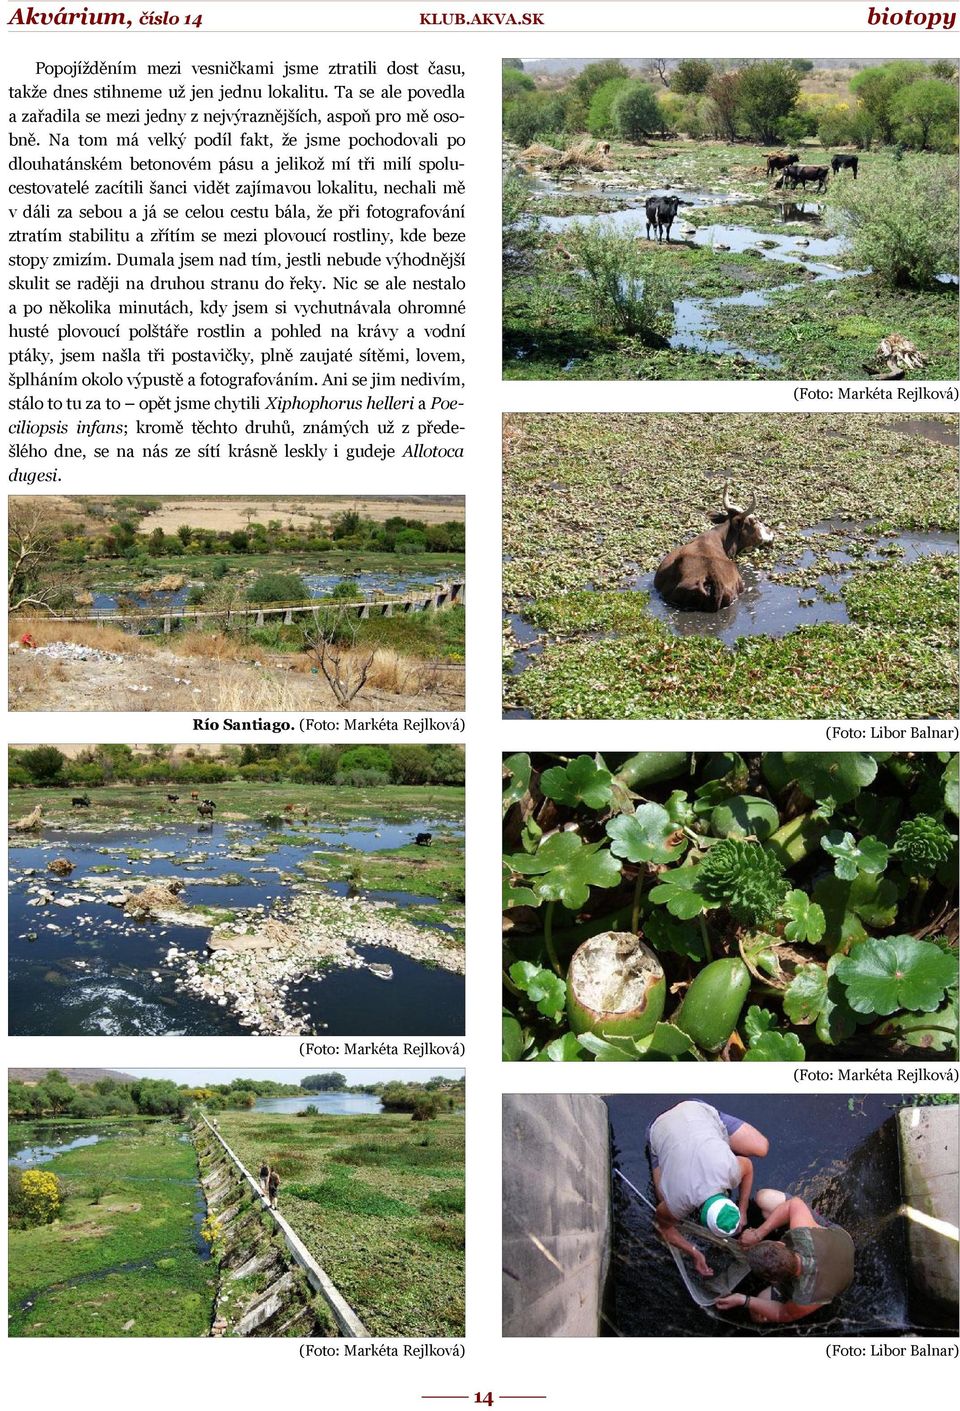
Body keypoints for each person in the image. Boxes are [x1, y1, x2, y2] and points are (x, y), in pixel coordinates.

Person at [649, 1101, 769, 1278]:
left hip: (697, 1115)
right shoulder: (677, 1203)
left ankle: (709, 1130)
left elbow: (748, 1167)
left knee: (762, 1147)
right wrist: (694, 1253)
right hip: (661, 1126)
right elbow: (663, 1227)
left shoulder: (731, 1170)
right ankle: (658, 1150)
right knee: (661, 1196)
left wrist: (742, 1211)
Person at [714, 1189, 854, 1325]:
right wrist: (758, 1235)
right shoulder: (803, 1235)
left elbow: (783, 1314)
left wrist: (743, 1300)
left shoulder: (804, 1296)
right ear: (780, 1244)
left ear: (774, 1280)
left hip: (837, 1272)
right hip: (843, 1243)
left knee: (757, 1315)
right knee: (764, 1198)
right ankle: (812, 1226)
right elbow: (795, 1204)